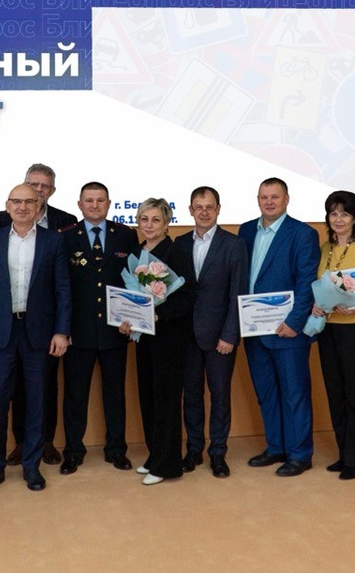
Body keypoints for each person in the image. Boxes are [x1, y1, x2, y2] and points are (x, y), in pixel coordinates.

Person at [0, 184, 72, 494]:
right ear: (7, 205)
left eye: (29, 201)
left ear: (39, 205)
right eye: (16, 201)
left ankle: (32, 466)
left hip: (38, 333)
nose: (23, 207)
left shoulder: (53, 241)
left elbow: (63, 289)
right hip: (0, 333)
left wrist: (61, 331)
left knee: (37, 401)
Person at [0, 164, 77, 467]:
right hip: (8, 324)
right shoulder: (3, 221)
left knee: (46, 385)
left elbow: (64, 281)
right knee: (13, 387)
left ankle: (45, 442)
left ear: (51, 191)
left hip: (45, 323)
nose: (38, 191)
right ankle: (20, 444)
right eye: (33, 184)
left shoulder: (65, 222)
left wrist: (63, 328)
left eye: (44, 186)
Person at [238, 177, 320, 477]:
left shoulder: (303, 234)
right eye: (264, 197)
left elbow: (306, 281)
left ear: (286, 199)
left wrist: (295, 323)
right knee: (267, 393)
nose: (269, 202)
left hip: (288, 331)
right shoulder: (246, 230)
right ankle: (276, 447)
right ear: (257, 200)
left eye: (275, 197)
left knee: (294, 394)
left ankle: (300, 454)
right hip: (254, 329)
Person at [58, 182, 136, 475]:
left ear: (109, 203)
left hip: (116, 330)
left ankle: (116, 450)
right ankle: (73, 452)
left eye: (100, 200)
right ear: (79, 205)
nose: (94, 205)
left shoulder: (126, 235)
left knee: (115, 395)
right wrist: (63, 329)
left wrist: (134, 319)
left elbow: (134, 282)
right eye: (88, 200)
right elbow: (61, 286)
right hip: (77, 332)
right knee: (75, 397)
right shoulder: (65, 237)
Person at [119, 198, 195, 486]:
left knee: (165, 401)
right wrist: (126, 319)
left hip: (169, 339)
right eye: (144, 220)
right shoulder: (137, 253)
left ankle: (168, 464)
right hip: (144, 338)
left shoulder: (175, 253)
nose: (149, 225)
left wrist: (158, 314)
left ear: (166, 224)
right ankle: (155, 455)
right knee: (148, 396)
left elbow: (187, 296)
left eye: (155, 220)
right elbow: (129, 296)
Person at [174, 186, 247, 478]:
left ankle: (218, 452)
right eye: (198, 207)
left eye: (209, 207)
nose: (204, 212)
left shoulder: (234, 244)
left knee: (220, 396)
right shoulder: (179, 243)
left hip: (220, 338)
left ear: (218, 209)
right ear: (190, 210)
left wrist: (230, 335)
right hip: (187, 336)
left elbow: (237, 293)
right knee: (191, 396)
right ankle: (194, 450)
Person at [309, 190, 355, 480]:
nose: (338, 219)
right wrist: (318, 305)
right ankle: (344, 453)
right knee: (335, 391)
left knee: (354, 392)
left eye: (345, 214)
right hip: (329, 328)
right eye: (333, 213)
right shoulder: (325, 248)